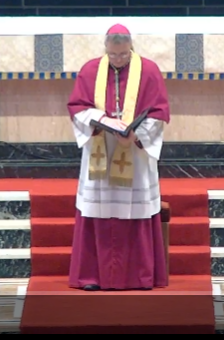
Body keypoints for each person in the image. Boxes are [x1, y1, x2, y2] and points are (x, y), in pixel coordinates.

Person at [65, 23, 171, 291]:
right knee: (98, 209)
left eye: (123, 55)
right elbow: (77, 107)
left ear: (131, 47)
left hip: (133, 153)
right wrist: (98, 119)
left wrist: (136, 136)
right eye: (113, 56)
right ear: (106, 49)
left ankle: (140, 275)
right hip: (101, 148)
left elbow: (159, 111)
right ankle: (92, 275)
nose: (118, 61)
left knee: (134, 209)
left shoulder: (148, 70)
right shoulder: (91, 70)